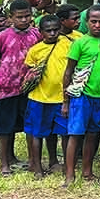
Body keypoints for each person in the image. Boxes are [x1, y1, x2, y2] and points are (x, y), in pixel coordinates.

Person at [0, 0, 40, 176]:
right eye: (19, 17)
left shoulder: (36, 35)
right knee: (4, 127)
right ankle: (4, 163)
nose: (24, 20)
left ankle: (33, 162)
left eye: (27, 16)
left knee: (29, 126)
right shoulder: (2, 36)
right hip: (5, 88)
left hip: (28, 89)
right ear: (11, 18)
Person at [61, 5, 100, 187]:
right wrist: (66, 101)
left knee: (93, 134)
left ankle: (88, 171)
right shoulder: (80, 43)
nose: (97, 25)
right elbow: (68, 72)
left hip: (99, 97)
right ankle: (69, 174)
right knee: (75, 134)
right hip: (81, 95)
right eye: (93, 21)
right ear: (87, 22)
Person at [21, 14, 68, 178]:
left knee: (59, 132)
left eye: (56, 30)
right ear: (41, 32)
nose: (53, 33)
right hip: (39, 98)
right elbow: (26, 70)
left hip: (61, 99)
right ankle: (37, 166)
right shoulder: (35, 50)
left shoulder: (67, 45)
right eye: (48, 31)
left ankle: (55, 161)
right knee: (37, 133)